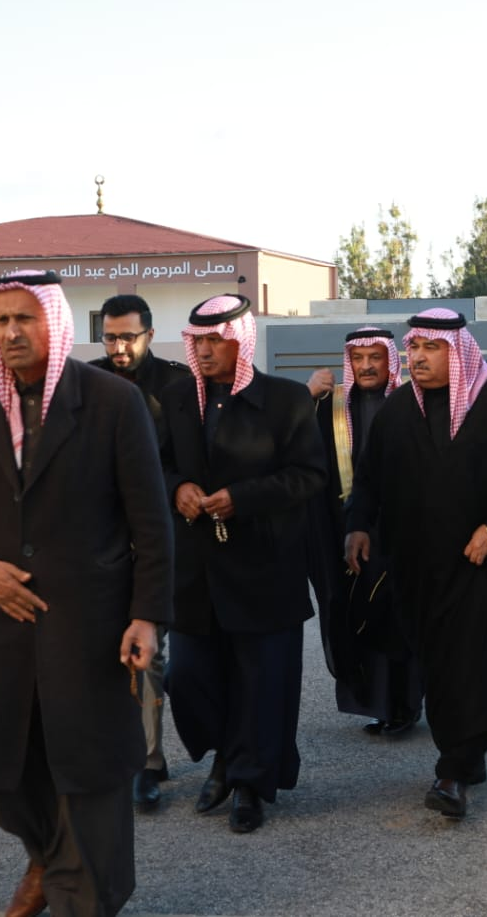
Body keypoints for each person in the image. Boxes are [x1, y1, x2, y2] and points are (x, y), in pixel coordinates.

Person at [0, 271, 172, 917]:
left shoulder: (113, 402)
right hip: (0, 621)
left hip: (89, 622)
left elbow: (150, 522)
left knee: (88, 769)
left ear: (57, 322)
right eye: (1, 321)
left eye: (26, 319)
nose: (11, 332)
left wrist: (147, 616)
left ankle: (81, 893)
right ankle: (48, 853)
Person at [344, 309, 487, 820]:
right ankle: (463, 757)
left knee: (475, 664)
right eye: (413, 347)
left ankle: (453, 771)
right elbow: (368, 477)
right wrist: (358, 525)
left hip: (486, 567)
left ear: (456, 352)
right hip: (418, 566)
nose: (417, 358)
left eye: (430, 348)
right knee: (439, 666)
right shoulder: (397, 410)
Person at [159, 294, 325, 834]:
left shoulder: (286, 399)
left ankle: (250, 781)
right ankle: (226, 755)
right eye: (199, 341)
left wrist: (242, 498)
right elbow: (157, 463)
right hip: (196, 569)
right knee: (189, 675)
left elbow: (309, 475)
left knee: (261, 680)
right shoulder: (177, 398)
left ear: (241, 341)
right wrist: (178, 487)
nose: (205, 351)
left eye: (216, 340)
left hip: (264, 565)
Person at [87, 293, 190, 812]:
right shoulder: (85, 380)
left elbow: (186, 460)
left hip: (159, 534)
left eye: (128, 337)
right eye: (110, 337)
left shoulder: (176, 385)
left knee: (150, 652)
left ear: (149, 334)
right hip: (97, 539)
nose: (119, 347)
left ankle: (148, 762)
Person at [311, 326, 422, 737]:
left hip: (398, 529)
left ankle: (404, 706)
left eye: (375, 357)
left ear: (390, 360)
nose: (366, 366)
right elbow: (292, 441)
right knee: (353, 613)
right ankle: (375, 704)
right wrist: (306, 396)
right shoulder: (330, 405)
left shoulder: (410, 401)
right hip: (344, 527)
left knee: (395, 614)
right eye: (358, 358)